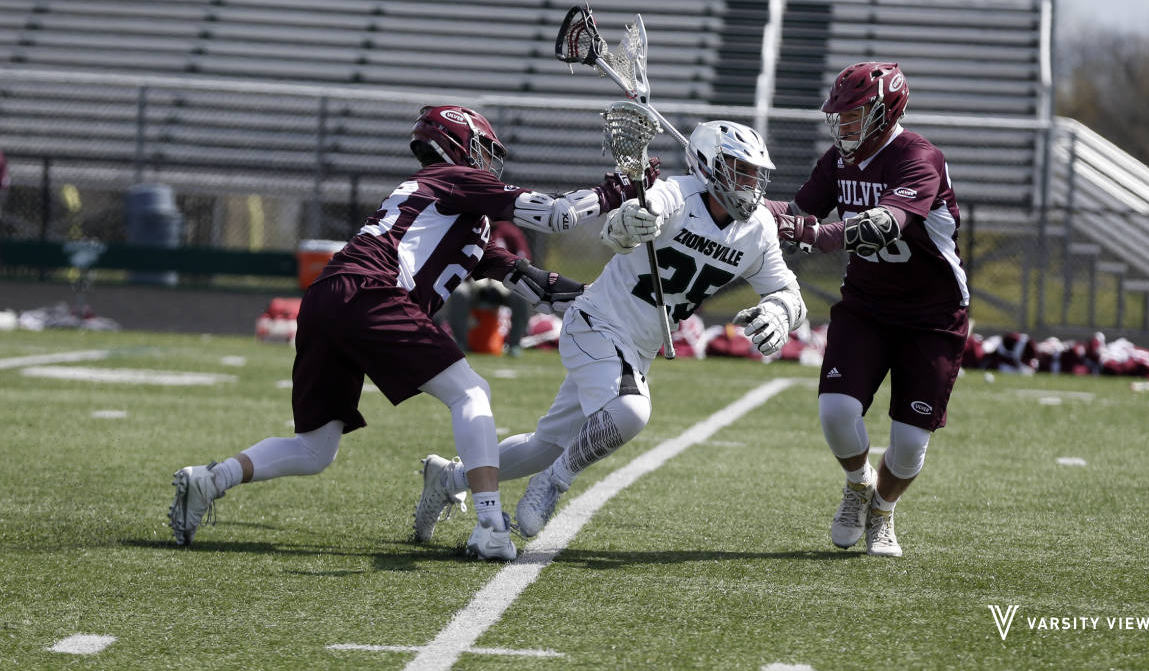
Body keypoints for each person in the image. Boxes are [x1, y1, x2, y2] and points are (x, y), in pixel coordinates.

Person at [168, 105, 656, 561]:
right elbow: (558, 215)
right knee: (471, 392)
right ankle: (490, 525)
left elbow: (538, 286)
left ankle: (210, 480)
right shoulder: (452, 179)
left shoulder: (454, 216)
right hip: (372, 290)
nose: (489, 164)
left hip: (330, 296)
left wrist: (618, 298)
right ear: (458, 145)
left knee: (315, 449)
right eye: (483, 151)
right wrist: (620, 186)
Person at [413, 118, 806, 545]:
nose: (751, 183)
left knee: (545, 443)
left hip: (638, 348)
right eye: (740, 169)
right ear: (710, 166)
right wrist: (629, 222)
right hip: (596, 324)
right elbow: (622, 228)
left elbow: (790, 293)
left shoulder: (759, 230)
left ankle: (448, 478)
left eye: (754, 172)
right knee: (630, 411)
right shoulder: (676, 194)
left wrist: (782, 312)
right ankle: (554, 482)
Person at [767, 61, 970, 557]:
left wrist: (814, 234)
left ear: (886, 111)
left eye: (854, 115)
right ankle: (858, 485)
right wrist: (751, 205)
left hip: (932, 316)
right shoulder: (836, 161)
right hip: (867, 305)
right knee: (836, 412)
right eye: (840, 115)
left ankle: (883, 508)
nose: (842, 126)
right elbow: (796, 216)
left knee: (907, 445)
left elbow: (884, 223)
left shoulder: (918, 157)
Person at [441, 220, 534, 356]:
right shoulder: (470, 229)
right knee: (459, 292)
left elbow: (524, 262)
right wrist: (471, 278)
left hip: (503, 284)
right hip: (474, 284)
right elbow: (457, 260)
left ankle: (515, 344)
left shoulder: (510, 231)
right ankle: (462, 343)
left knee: (521, 295)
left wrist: (506, 278)